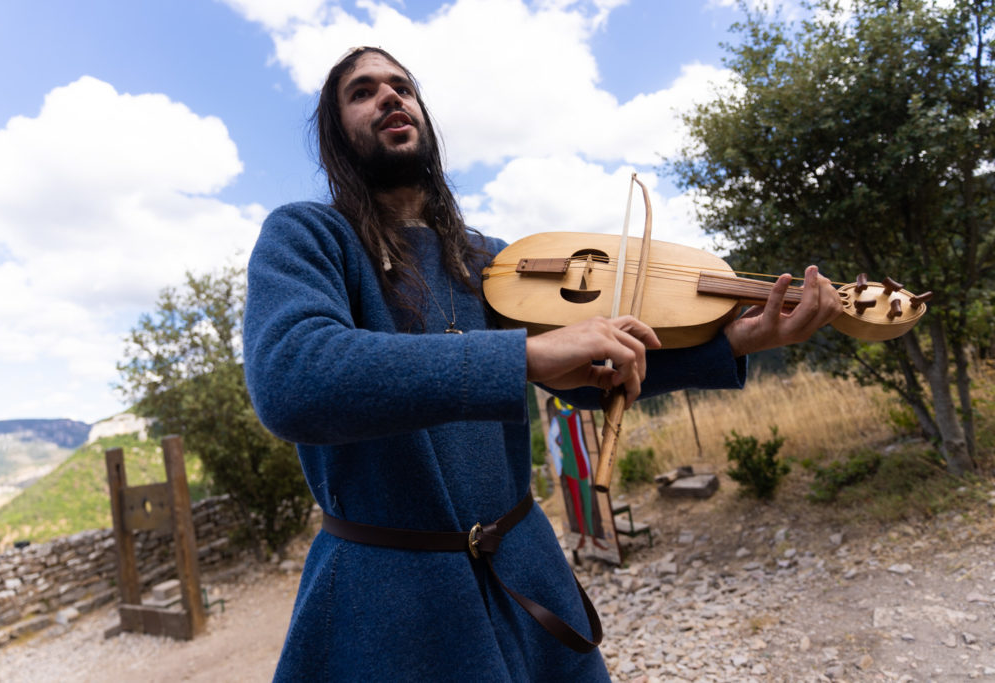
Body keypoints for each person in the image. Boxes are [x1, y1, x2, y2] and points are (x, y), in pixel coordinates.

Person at [243, 46, 841, 682]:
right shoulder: (307, 236)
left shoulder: (490, 261)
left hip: (522, 563)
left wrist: (737, 342)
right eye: (362, 92)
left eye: (402, 86)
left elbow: (584, 375)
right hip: (389, 593)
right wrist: (525, 355)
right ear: (337, 134)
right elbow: (292, 376)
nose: (390, 97)